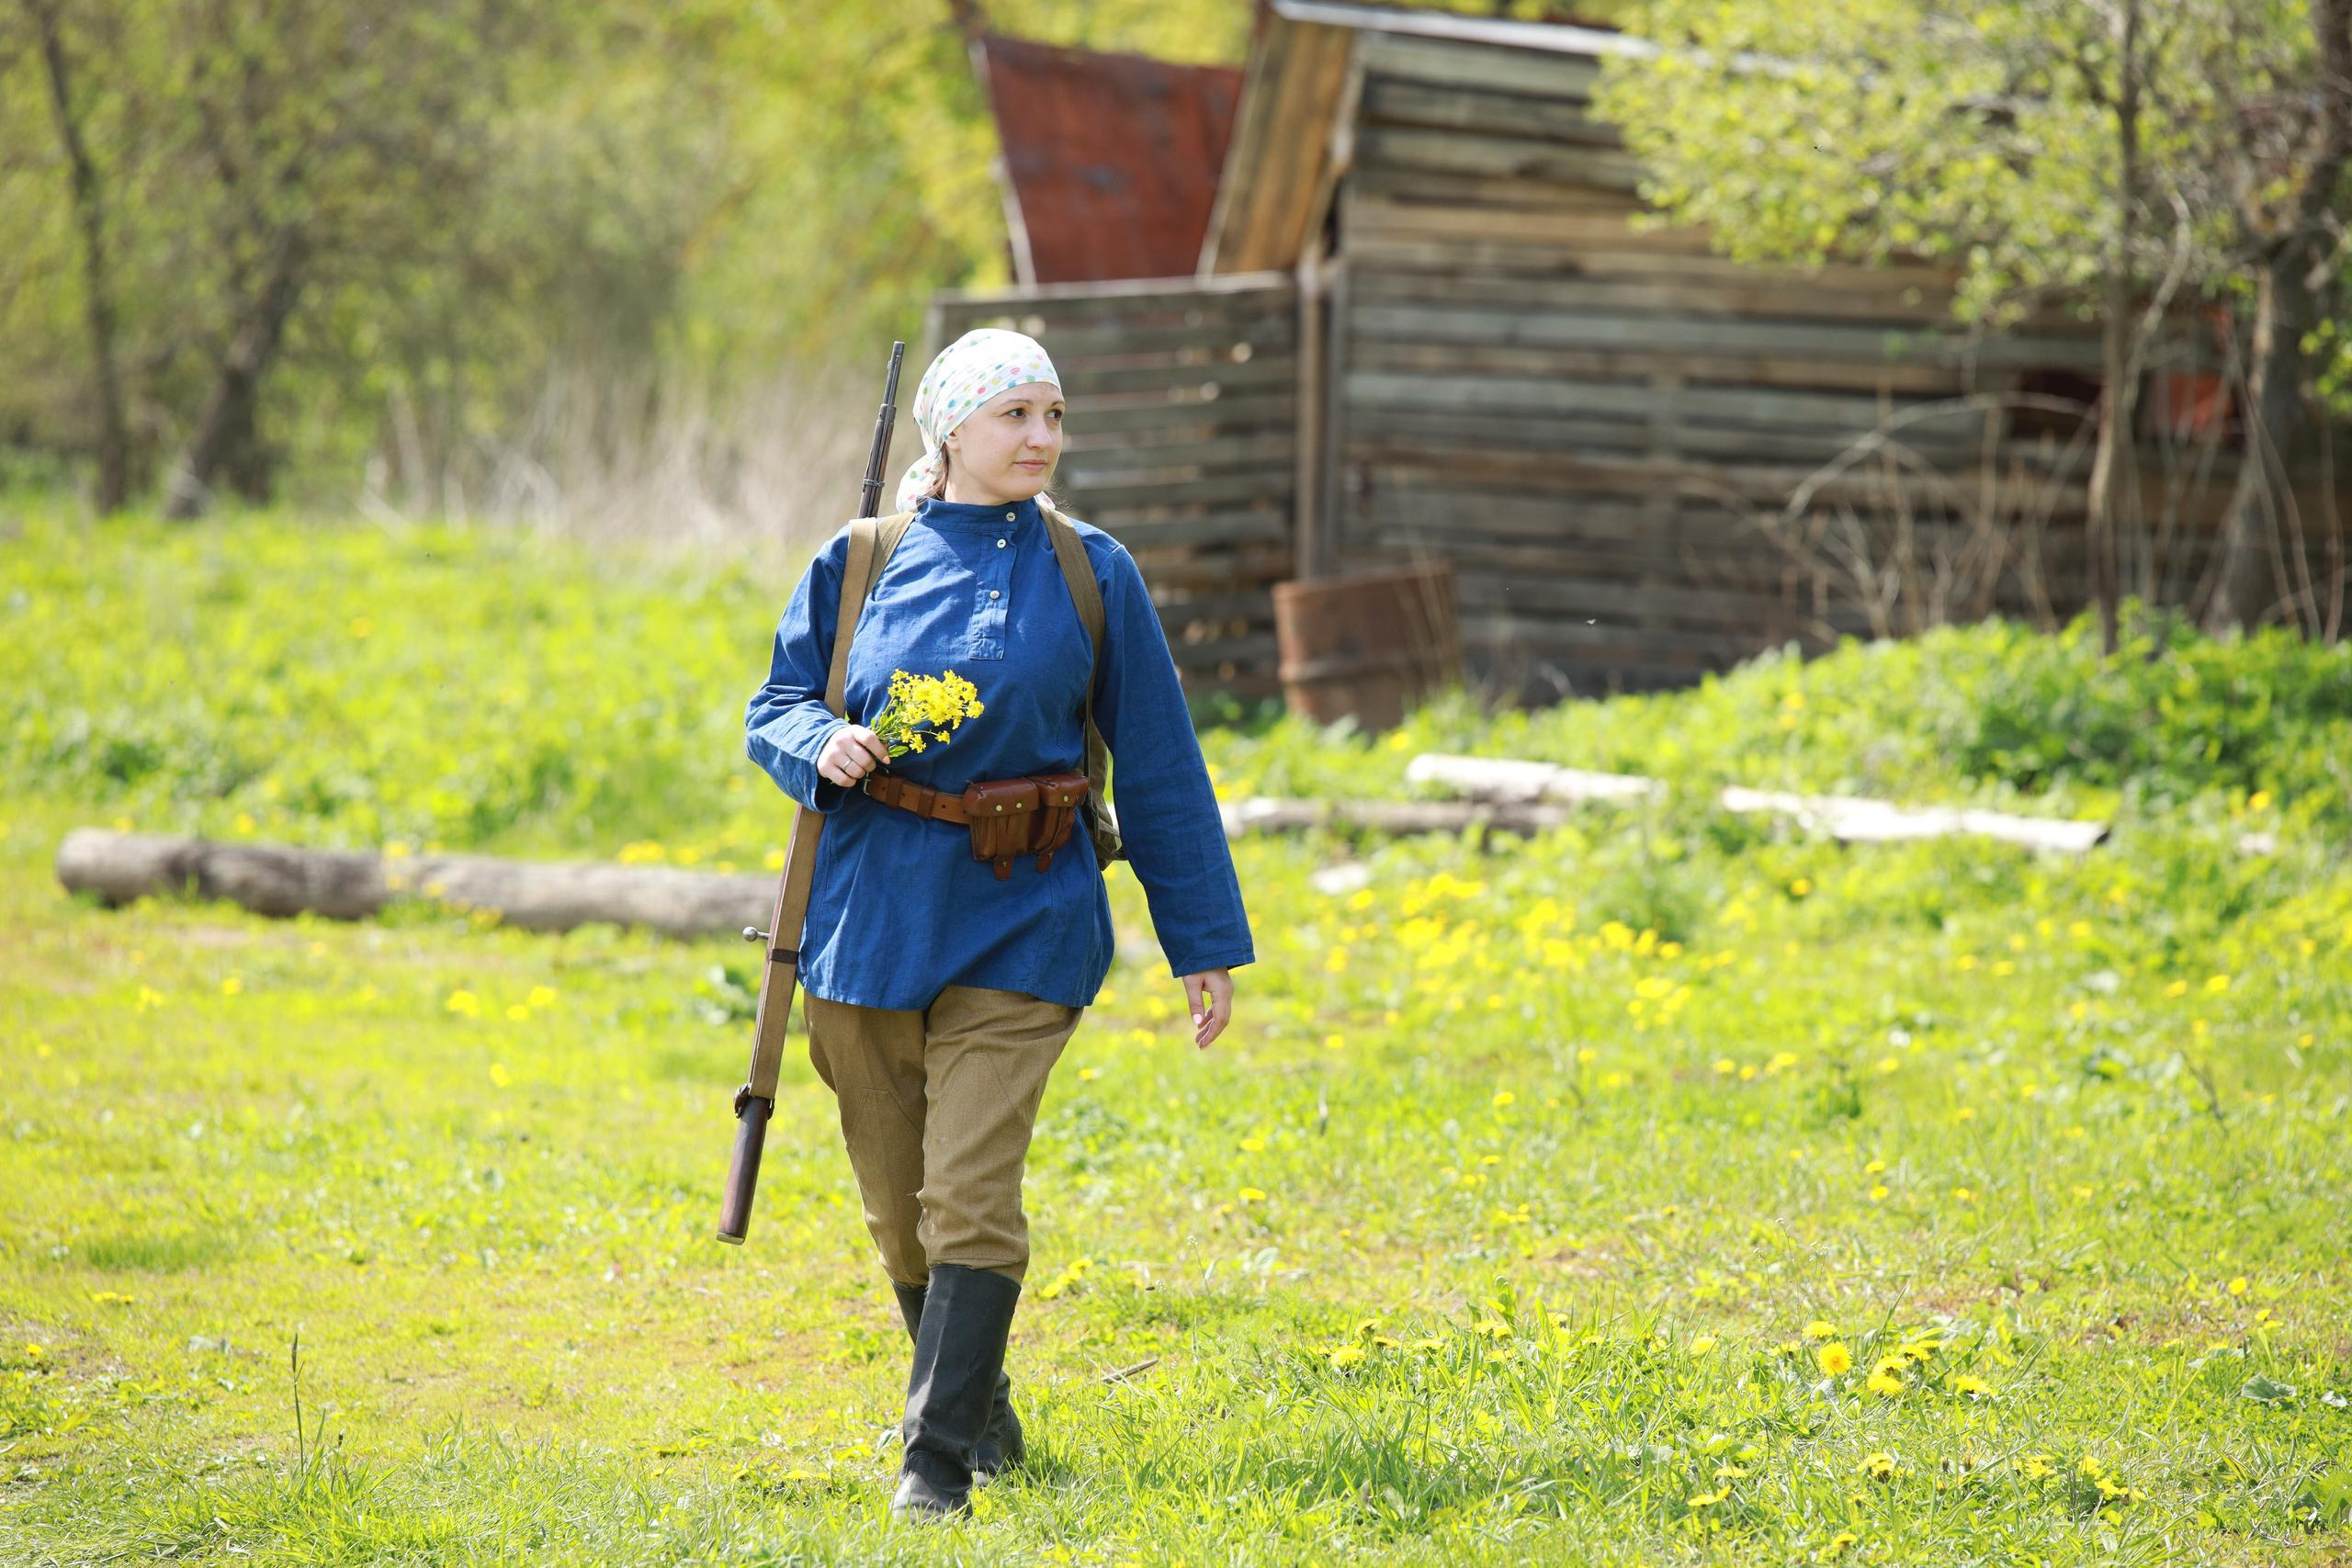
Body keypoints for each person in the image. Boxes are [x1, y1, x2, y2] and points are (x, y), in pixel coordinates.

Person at [742, 327, 1255, 1522]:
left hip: (1029, 917)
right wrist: (819, 741)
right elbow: (773, 702)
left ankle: (933, 1467)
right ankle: (981, 1409)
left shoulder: (1092, 571)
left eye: (1053, 417)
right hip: (871, 917)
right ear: (952, 433)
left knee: (969, 1189)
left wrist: (1205, 945)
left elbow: (1162, 767)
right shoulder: (863, 558)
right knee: (897, 1202)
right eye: (1016, 415)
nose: (1041, 438)